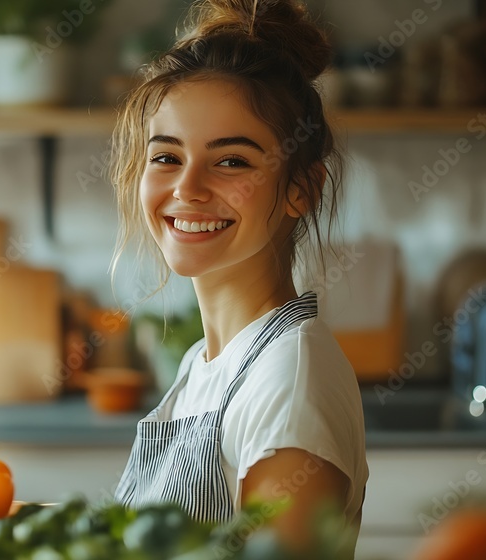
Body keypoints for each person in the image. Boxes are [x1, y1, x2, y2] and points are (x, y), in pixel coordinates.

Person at [109, 0, 368, 552]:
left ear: (303, 187)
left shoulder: (290, 382)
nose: (187, 188)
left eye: (231, 161)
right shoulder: (202, 365)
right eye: (166, 157)